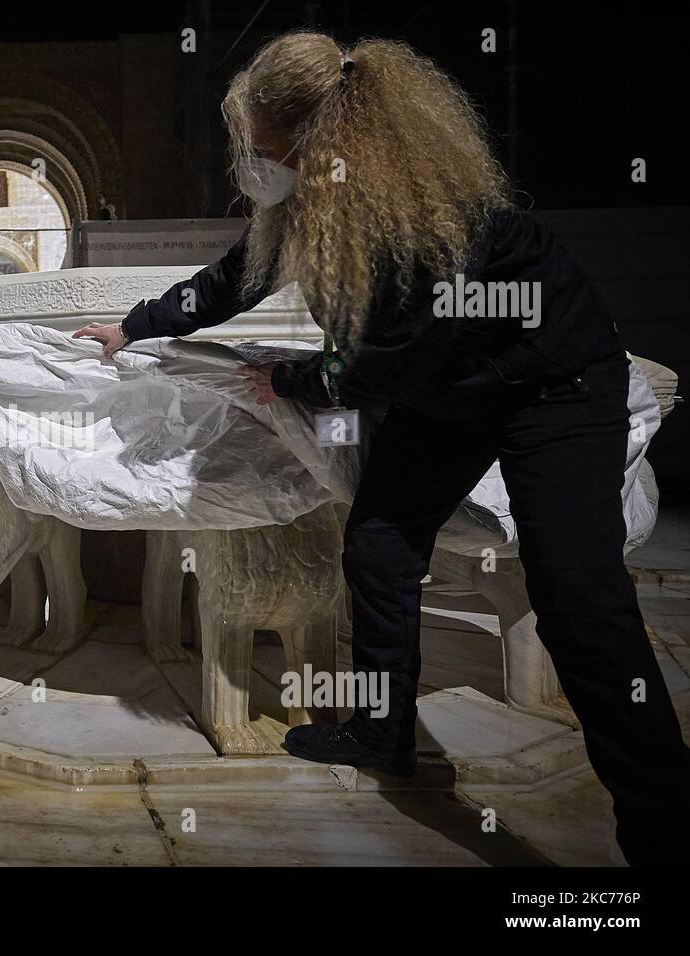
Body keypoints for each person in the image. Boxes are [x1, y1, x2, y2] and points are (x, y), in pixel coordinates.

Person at [75, 32, 690, 866]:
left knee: (579, 599)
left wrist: (293, 383)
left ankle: (663, 828)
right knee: (379, 544)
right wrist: (134, 326)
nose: (252, 167)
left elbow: (386, 360)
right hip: (453, 388)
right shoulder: (308, 204)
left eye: (261, 149)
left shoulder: (423, 226)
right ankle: (380, 729)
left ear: (318, 143)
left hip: (555, 383)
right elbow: (235, 278)